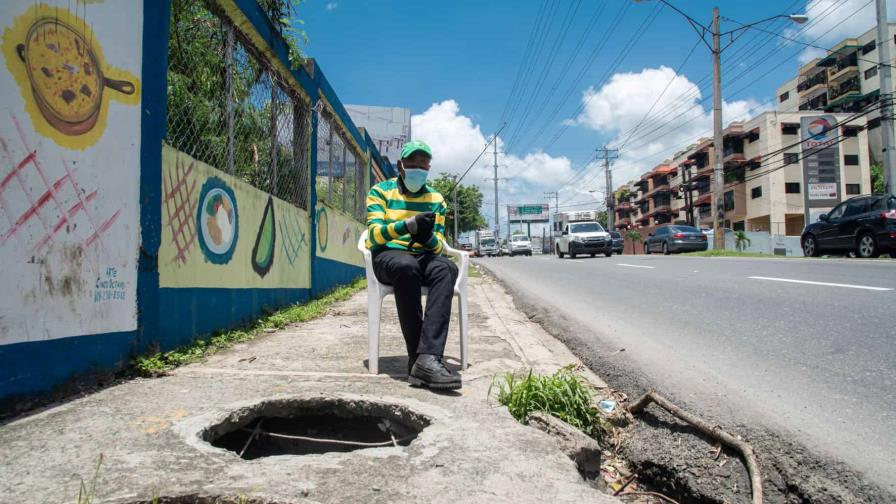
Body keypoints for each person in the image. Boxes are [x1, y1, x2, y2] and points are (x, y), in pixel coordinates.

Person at [365, 140, 461, 390]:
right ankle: (416, 357)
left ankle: (428, 358)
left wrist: (426, 238)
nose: (418, 168)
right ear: (401, 165)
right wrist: (406, 226)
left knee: (447, 268)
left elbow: (439, 246)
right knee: (407, 266)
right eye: (412, 163)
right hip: (388, 256)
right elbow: (373, 236)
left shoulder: (436, 199)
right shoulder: (380, 192)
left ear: (428, 168)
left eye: (423, 164)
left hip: (422, 256)